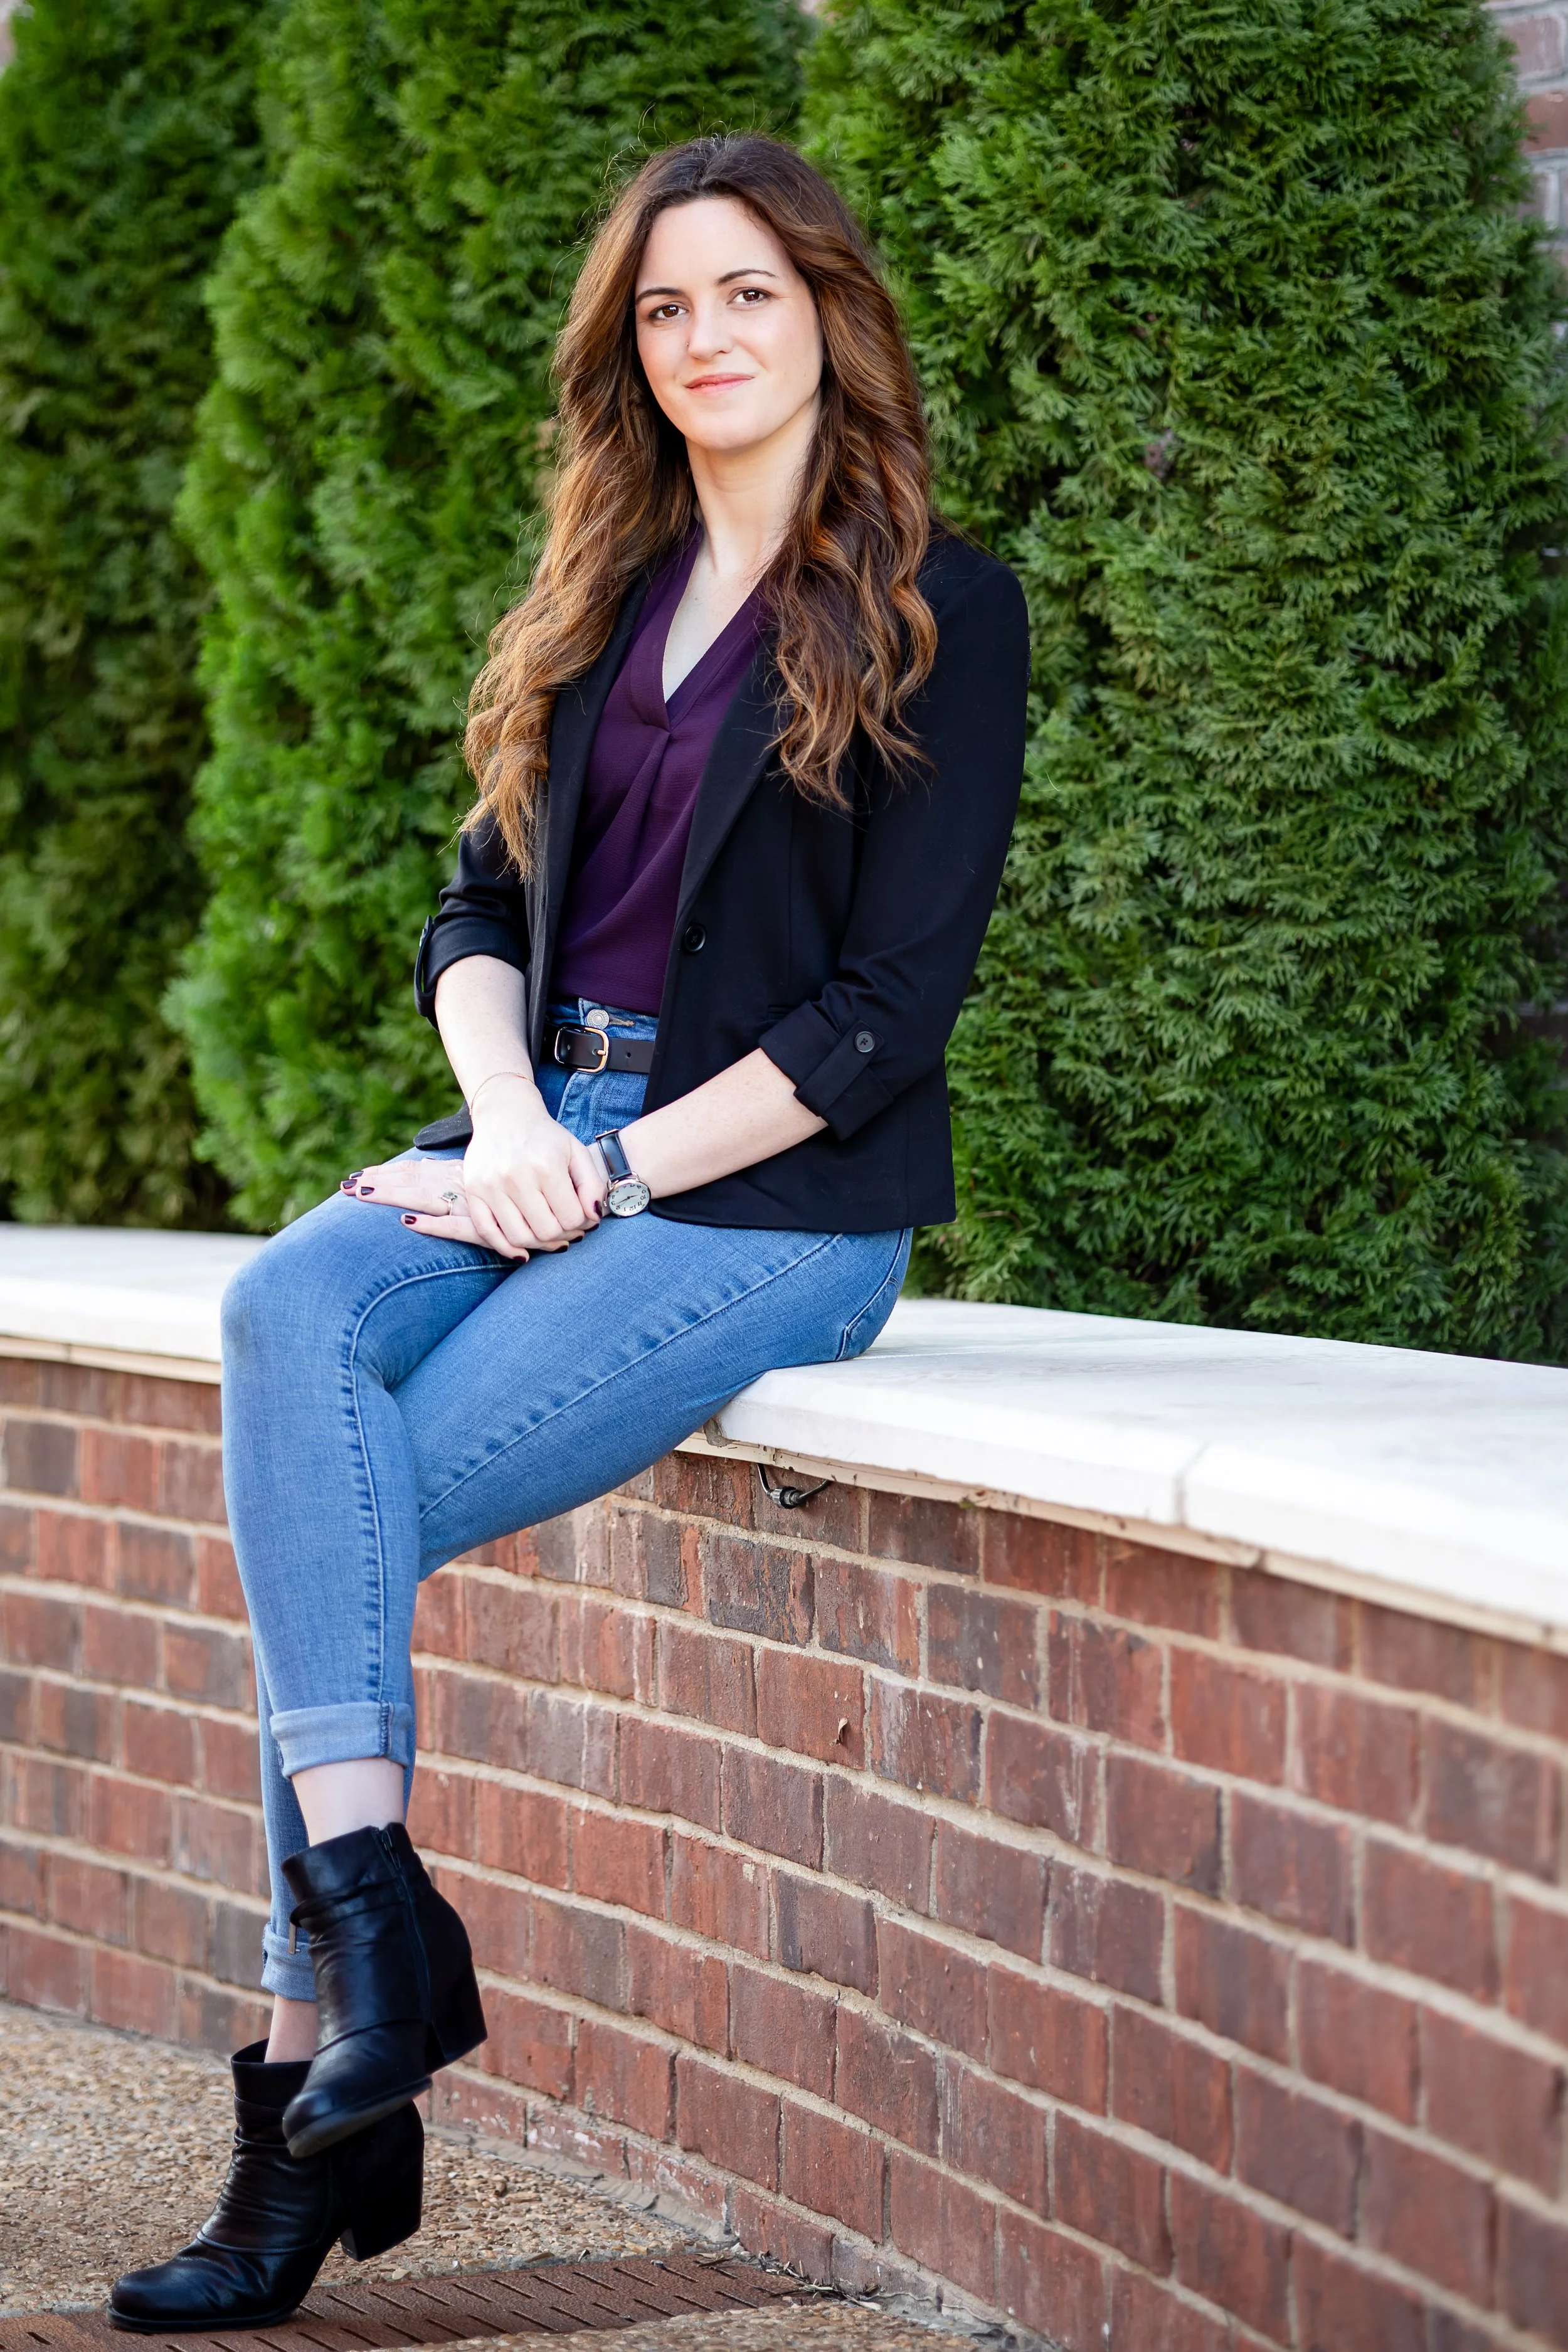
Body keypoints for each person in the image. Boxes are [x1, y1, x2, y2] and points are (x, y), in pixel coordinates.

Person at [109, 132, 1029, 2331]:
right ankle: (374, 1976)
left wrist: (607, 1169)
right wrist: (514, 1117)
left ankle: (311, 2102)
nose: (704, 338)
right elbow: (475, 902)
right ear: (631, 350)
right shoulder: (607, 589)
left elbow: (887, 1012)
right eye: (663, 308)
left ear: (828, 318)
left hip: (772, 1193)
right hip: (548, 1123)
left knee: (334, 1523)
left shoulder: (934, 602)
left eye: (745, 296)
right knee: (287, 1302)